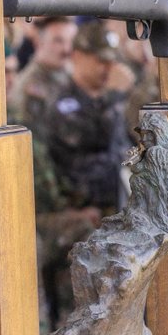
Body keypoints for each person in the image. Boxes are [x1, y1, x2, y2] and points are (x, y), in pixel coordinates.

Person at [44, 21, 131, 211]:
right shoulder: (64, 102)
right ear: (77, 56)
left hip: (119, 200)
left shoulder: (107, 99)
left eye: (112, 62)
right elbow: (98, 139)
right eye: (101, 61)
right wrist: (114, 97)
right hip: (83, 207)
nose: (109, 68)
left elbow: (123, 146)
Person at [8, 16, 76, 144]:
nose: (67, 49)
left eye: (71, 41)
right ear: (39, 42)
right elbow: (35, 143)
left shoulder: (70, 74)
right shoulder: (30, 87)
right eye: (58, 41)